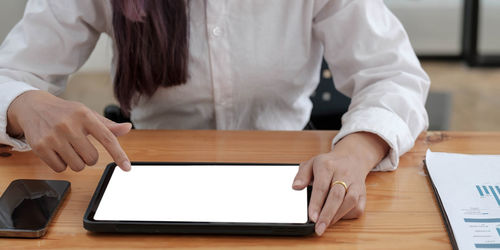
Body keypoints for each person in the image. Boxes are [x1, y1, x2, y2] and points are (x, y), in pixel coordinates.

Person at [0, 0, 429, 236]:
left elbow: (394, 74)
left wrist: (356, 152)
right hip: (146, 182)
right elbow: (11, 76)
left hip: (290, 177)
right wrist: (22, 102)